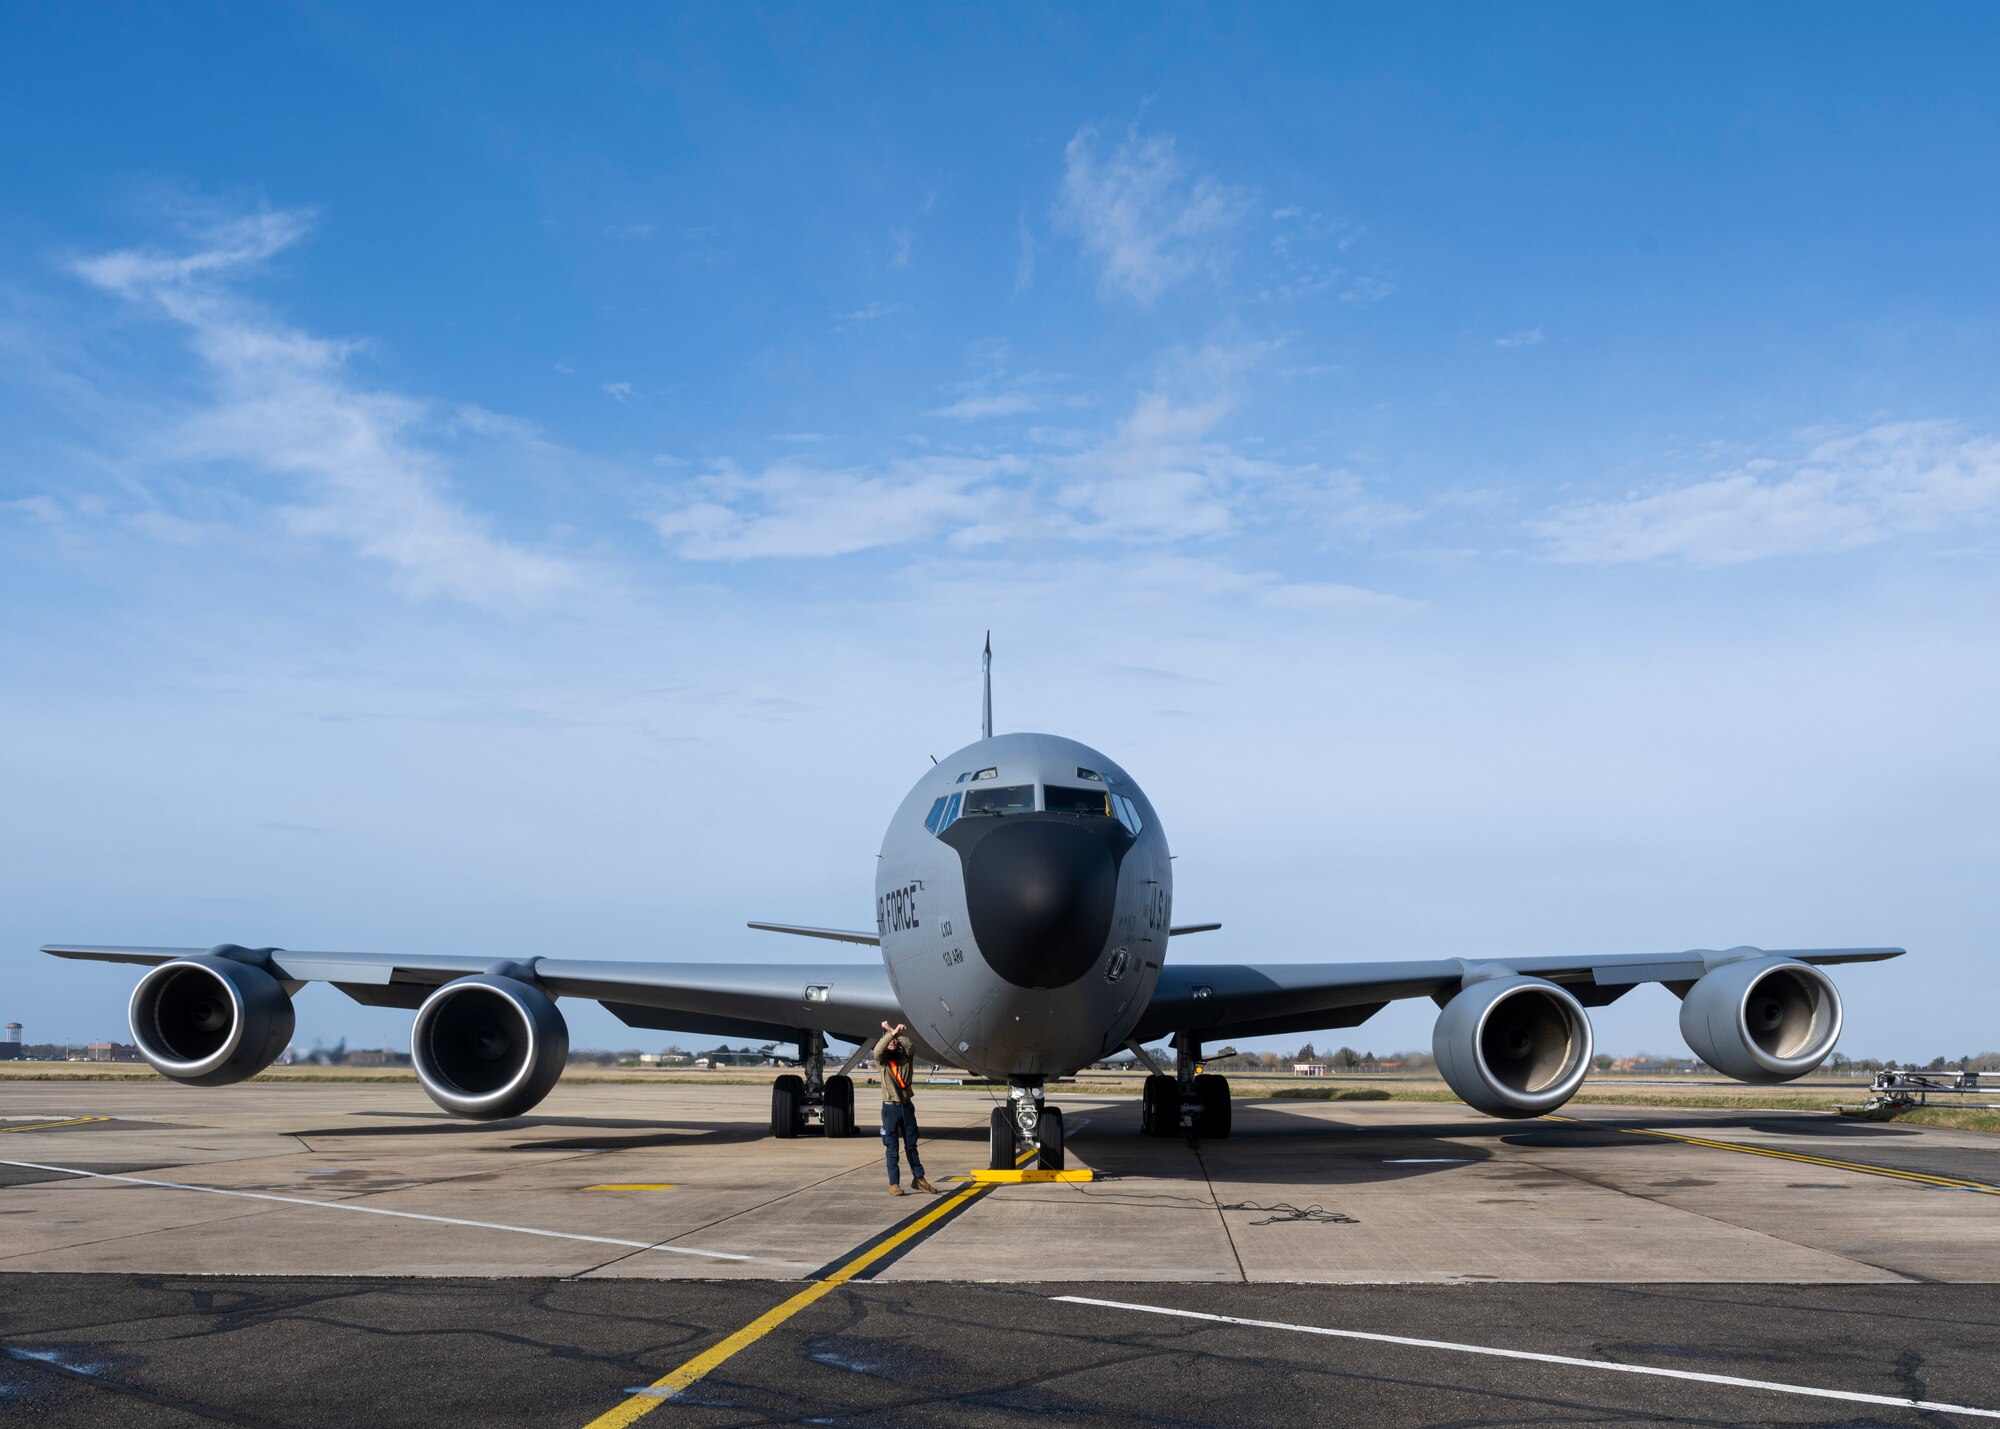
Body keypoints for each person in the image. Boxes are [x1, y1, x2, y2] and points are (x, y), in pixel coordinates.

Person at [874, 1019, 937, 1195]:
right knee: (892, 1148)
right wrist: (890, 1033)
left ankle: (919, 1179)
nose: (893, 1041)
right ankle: (894, 1184)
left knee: (912, 1145)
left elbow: (910, 1047)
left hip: (906, 1107)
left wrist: (896, 1032)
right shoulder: (882, 1062)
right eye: (890, 1040)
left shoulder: (906, 1059)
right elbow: (878, 1049)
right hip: (890, 1109)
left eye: (895, 1040)